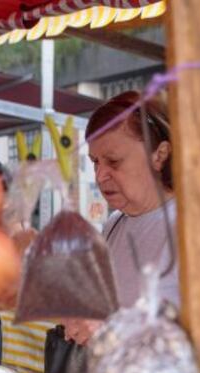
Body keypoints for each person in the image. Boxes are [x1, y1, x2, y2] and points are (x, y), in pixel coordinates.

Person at [63, 91, 178, 345]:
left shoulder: (189, 229)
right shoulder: (115, 223)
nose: (100, 175)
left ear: (159, 155)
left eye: (114, 162)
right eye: (95, 162)